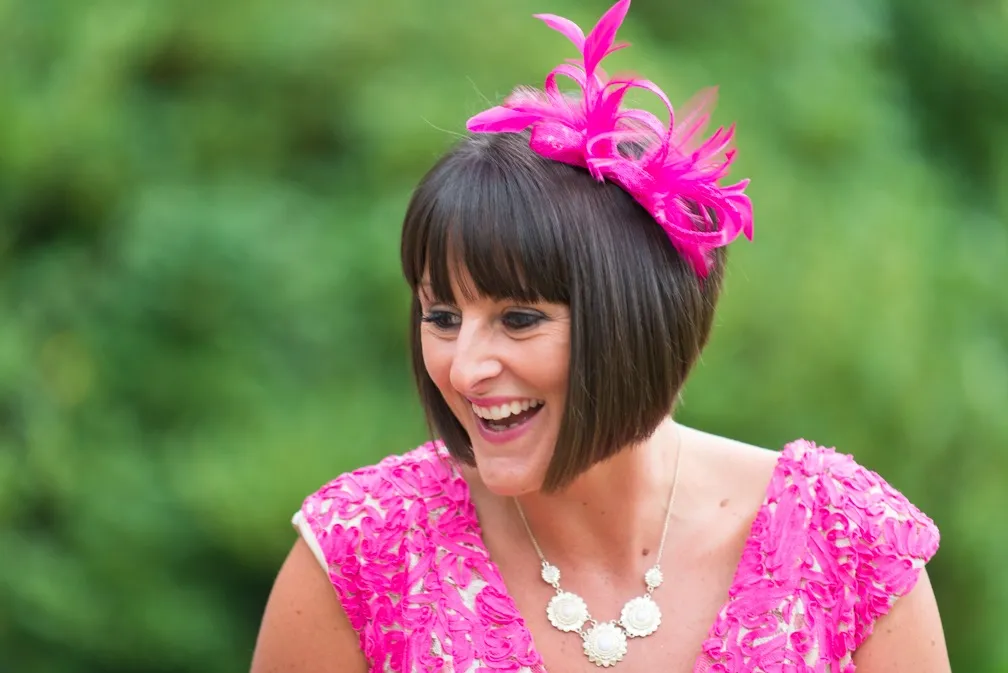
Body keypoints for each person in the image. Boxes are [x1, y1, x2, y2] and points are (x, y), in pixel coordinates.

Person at [249, 1, 949, 671]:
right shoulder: (361, 552)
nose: (463, 370)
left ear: (635, 321)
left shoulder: (845, 541)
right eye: (442, 316)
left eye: (519, 318)